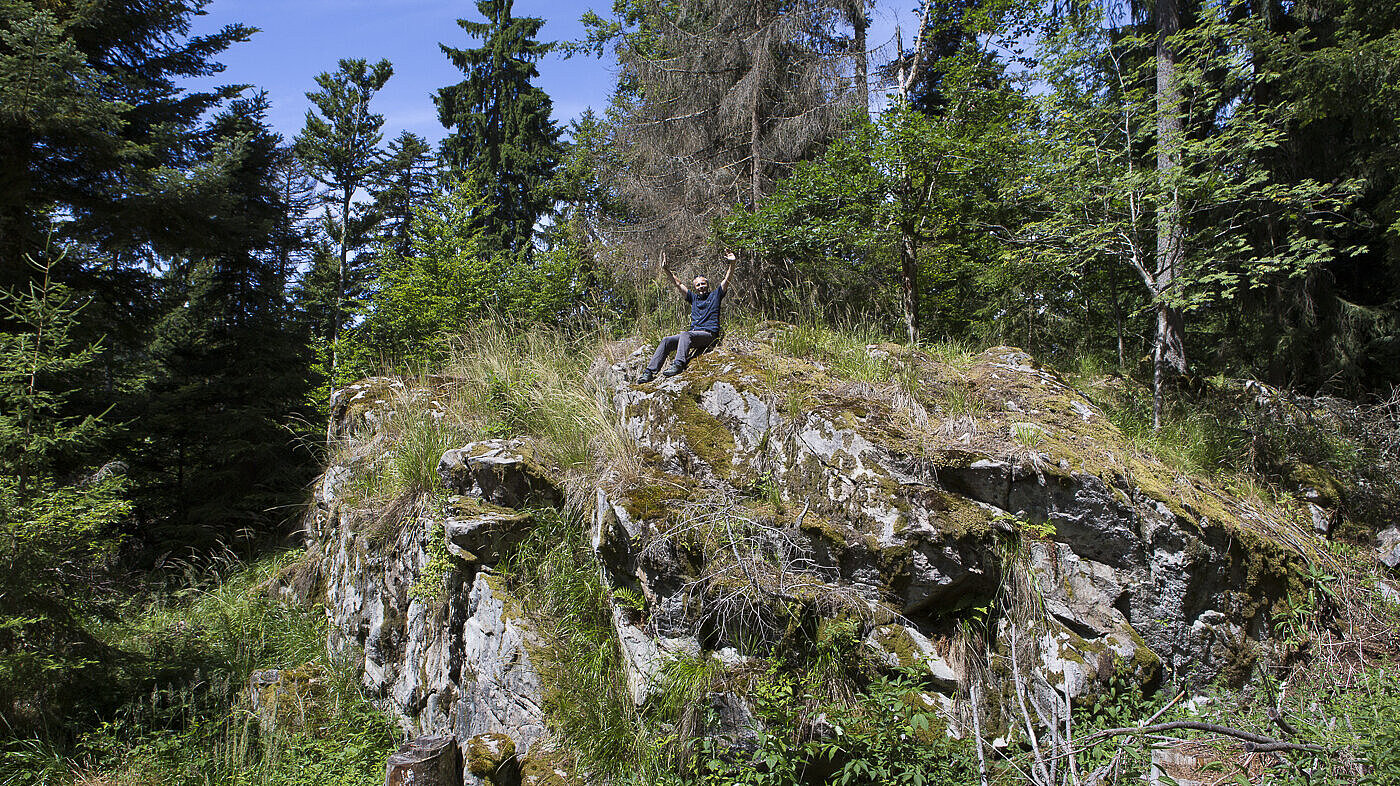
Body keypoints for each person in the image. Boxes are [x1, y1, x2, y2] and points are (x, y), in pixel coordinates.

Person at [638, 249, 736, 383]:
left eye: (703, 284)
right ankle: (649, 372)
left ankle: (678, 364)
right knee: (667, 340)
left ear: (707, 285)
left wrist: (733, 263)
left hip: (709, 335)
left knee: (685, 334)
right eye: (698, 285)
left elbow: (727, 279)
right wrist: (666, 269)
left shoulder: (716, 295)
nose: (701, 286)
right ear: (695, 287)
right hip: (693, 336)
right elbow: (678, 284)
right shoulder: (693, 298)